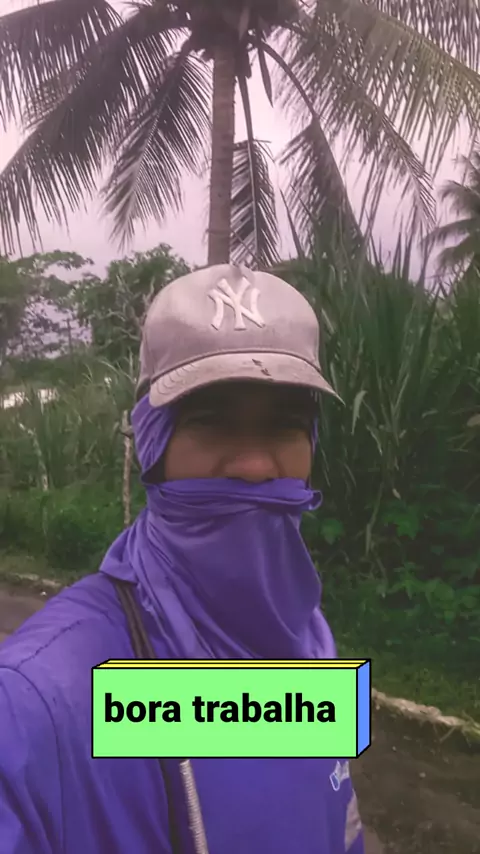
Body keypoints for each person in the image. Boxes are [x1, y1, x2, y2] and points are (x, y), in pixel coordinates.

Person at [0, 264, 365, 854]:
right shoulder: (37, 701)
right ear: (152, 444)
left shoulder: (306, 635)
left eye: (284, 426)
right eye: (211, 423)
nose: (255, 466)